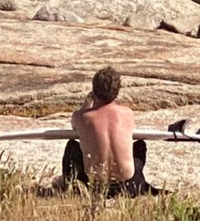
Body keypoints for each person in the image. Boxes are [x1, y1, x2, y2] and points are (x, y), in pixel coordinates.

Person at [55, 66, 158, 197]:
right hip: (128, 186)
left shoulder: (82, 117)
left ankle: (67, 182)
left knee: (72, 146)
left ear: (94, 90)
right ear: (117, 91)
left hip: (93, 186)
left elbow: (75, 126)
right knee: (139, 145)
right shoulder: (127, 113)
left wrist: (88, 102)